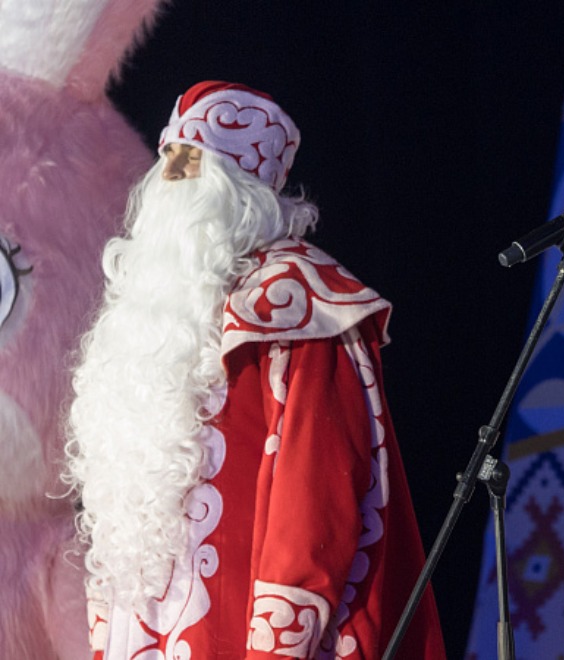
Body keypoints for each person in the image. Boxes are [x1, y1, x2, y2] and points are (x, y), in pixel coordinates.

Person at [64, 81, 446, 659]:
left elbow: (315, 502)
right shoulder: (150, 315)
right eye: (169, 162)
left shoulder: (297, 303)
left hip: (242, 628)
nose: (170, 183)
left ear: (239, 193)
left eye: (190, 165)